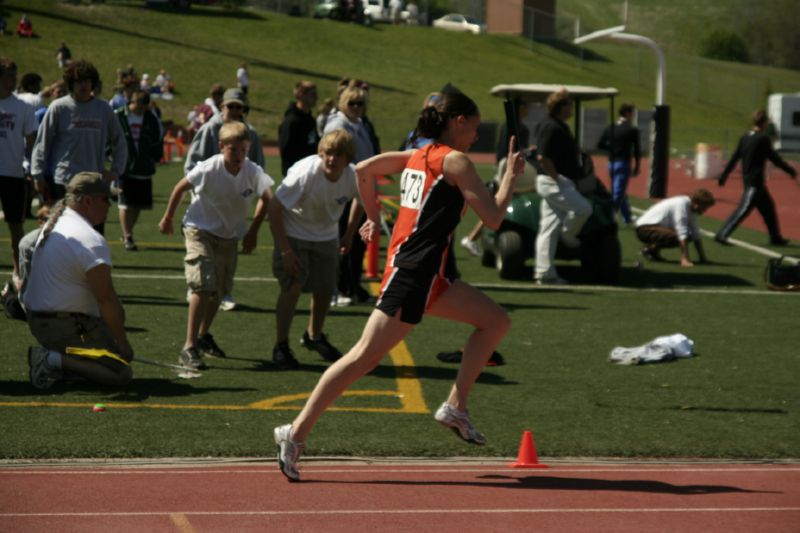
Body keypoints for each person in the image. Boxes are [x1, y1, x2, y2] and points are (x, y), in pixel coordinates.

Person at [272, 90, 525, 482]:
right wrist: (509, 178)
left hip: (432, 277)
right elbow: (491, 218)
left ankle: (456, 406)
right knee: (362, 358)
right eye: (473, 128)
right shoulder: (454, 161)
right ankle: (295, 432)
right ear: (456, 122)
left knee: (495, 322)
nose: (476, 136)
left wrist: (372, 218)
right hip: (412, 274)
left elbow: (363, 170)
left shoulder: (419, 154)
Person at [159, 122, 274, 370]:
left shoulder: (252, 171)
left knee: (219, 292)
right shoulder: (209, 168)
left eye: (244, 150)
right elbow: (181, 187)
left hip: (229, 236)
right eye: (233, 150)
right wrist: (168, 217)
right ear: (221, 147)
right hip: (199, 229)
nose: (239, 156)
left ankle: (202, 335)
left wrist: (253, 231)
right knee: (202, 283)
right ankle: (188, 346)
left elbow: (267, 198)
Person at [23, 173, 134, 390]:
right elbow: (106, 300)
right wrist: (123, 343)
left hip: (41, 323)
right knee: (120, 372)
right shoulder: (90, 239)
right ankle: (53, 359)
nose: (109, 206)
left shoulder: (55, 224)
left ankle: (64, 362)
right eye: (106, 200)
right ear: (88, 201)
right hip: (66, 327)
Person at [269, 130, 363, 369]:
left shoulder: (352, 176)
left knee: (324, 289)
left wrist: (349, 235)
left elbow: (361, 200)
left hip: (326, 236)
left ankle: (314, 336)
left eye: (338, 154)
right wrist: (286, 251)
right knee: (292, 288)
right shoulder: (306, 173)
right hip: (295, 233)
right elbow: (275, 207)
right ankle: (281, 345)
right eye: (328, 153)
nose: (331, 159)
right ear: (321, 153)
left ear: (348, 158)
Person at [184, 88, 264, 311]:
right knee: (203, 245)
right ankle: (196, 287)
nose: (235, 111)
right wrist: (207, 184)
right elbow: (191, 165)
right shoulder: (211, 128)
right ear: (222, 107)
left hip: (234, 201)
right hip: (208, 198)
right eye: (231, 106)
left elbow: (258, 167)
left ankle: (224, 292)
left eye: (240, 107)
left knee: (227, 248)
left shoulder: (250, 133)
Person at [30, 59, 127, 205]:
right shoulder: (59, 107)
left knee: (93, 228)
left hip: (94, 181)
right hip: (64, 181)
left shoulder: (104, 108)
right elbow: (42, 142)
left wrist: (115, 171)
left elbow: (120, 140)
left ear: (92, 82)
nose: (83, 85)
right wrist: (37, 174)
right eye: (79, 81)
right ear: (71, 83)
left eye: (87, 81)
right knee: (65, 227)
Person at [533, 88, 592, 285]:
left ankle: (544, 273)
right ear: (561, 107)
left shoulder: (555, 125)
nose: (572, 108)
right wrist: (557, 178)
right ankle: (568, 235)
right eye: (569, 104)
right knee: (584, 209)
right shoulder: (552, 127)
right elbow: (543, 157)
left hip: (554, 181)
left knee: (548, 229)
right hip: (554, 182)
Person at [324, 83, 376, 306]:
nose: (356, 107)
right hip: (346, 189)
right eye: (352, 103)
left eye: (360, 103)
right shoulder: (339, 125)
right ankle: (339, 287)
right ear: (343, 104)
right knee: (344, 238)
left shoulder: (359, 124)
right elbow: (332, 155)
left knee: (358, 240)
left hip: (361, 188)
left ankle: (353, 285)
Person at [714, 110, 798, 246]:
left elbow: (735, 158)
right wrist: (790, 170)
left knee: (768, 209)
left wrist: (724, 176)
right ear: (764, 122)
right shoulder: (762, 139)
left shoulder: (745, 137)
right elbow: (774, 158)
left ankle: (775, 237)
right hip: (755, 181)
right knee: (744, 208)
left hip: (750, 180)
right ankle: (723, 233)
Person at [460, 98, 530, 257]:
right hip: (507, 166)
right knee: (495, 206)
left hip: (503, 164)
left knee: (495, 204)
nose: (528, 110)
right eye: (526, 107)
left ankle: (473, 238)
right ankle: (472, 238)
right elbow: (512, 149)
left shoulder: (509, 125)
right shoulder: (519, 128)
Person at [0, 58, 38, 288]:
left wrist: (34, 168)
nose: (15, 79)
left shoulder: (23, 107)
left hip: (13, 174)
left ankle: (19, 274)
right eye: (10, 75)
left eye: (15, 75)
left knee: (16, 228)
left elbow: (32, 141)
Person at [115, 90, 164, 251]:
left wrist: (155, 158)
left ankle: (128, 232)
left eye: (144, 107)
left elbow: (158, 139)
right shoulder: (119, 115)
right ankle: (127, 235)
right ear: (132, 101)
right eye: (138, 106)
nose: (141, 110)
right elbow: (109, 136)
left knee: (138, 205)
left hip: (143, 168)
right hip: (124, 167)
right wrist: (111, 154)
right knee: (125, 204)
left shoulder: (151, 119)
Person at [635, 188, 715, 267]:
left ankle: (651, 250)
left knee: (689, 235)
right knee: (683, 235)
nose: (705, 211)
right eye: (704, 207)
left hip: (653, 228)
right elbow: (682, 232)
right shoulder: (682, 204)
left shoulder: (691, 208)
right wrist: (684, 258)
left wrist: (702, 257)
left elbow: (695, 234)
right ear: (696, 204)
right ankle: (651, 249)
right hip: (644, 229)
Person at [597, 103, 641, 225]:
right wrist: (637, 166)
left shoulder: (611, 127)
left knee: (620, 191)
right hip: (623, 164)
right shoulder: (632, 130)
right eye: (632, 112)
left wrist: (612, 149)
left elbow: (600, 144)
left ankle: (627, 217)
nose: (633, 115)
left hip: (611, 163)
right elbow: (637, 150)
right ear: (627, 113)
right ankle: (608, 216)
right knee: (618, 192)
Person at [278, 81, 320, 176]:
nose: (316, 97)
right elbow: (286, 151)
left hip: (310, 173)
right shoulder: (291, 121)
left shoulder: (311, 120)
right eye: (313, 94)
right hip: (296, 174)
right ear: (301, 95)